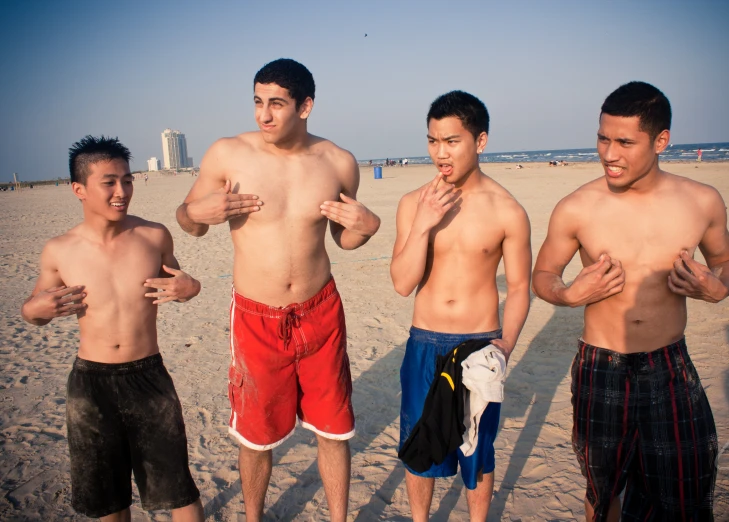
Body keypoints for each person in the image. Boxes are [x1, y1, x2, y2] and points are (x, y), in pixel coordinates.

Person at [175, 58, 380, 521]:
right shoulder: (228, 155)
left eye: (276, 104)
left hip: (320, 310)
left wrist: (366, 228)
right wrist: (195, 215)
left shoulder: (338, 162)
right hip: (257, 316)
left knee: (334, 429)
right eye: (257, 102)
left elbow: (343, 240)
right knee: (256, 435)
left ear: (305, 106)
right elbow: (189, 222)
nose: (263, 116)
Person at [532, 81, 729, 521]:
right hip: (601, 367)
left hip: (670, 365)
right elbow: (543, 276)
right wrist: (568, 295)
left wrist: (717, 288)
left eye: (624, 142)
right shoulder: (577, 207)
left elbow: (726, 263)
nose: (609, 154)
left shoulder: (701, 201)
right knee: (603, 490)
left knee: (686, 489)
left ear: (661, 140)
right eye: (603, 138)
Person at [21, 135, 204, 521]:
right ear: (79, 189)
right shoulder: (60, 249)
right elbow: (35, 311)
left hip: (149, 374)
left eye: (128, 179)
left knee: (177, 488)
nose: (122, 191)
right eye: (109, 182)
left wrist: (192, 288)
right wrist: (33, 309)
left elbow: (181, 283)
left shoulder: (154, 236)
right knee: (108, 497)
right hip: (92, 383)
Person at [390, 90, 531, 521]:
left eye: (451, 141)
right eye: (433, 141)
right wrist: (424, 223)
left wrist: (505, 347)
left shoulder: (508, 210)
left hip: (479, 346)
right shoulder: (413, 203)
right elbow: (402, 282)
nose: (440, 152)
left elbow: (522, 287)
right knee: (421, 445)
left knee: (478, 451)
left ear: (480, 141)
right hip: (424, 341)